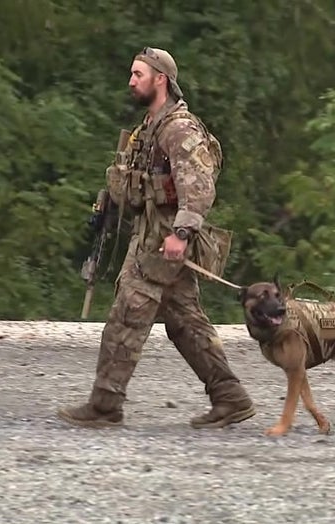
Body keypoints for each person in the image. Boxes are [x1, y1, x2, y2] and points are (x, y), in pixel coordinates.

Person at [57, 47, 256, 429]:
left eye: (138, 74)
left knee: (126, 317)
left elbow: (198, 186)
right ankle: (230, 397)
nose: (131, 81)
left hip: (164, 241)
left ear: (160, 79)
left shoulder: (178, 128)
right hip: (152, 237)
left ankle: (104, 405)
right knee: (185, 321)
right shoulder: (148, 128)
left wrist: (181, 233)